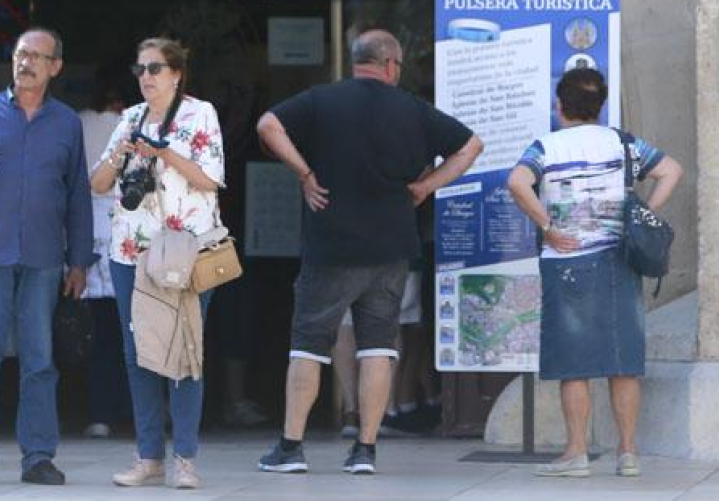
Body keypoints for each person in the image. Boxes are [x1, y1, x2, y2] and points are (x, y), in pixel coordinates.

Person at [256, 29, 483, 475]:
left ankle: (291, 447)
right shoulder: (413, 109)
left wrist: (303, 173)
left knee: (308, 348)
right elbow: (471, 146)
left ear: (356, 61)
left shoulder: (322, 100)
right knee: (379, 347)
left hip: (330, 247)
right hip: (391, 250)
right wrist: (426, 186)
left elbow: (267, 125)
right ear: (392, 65)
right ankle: (365, 450)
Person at [506, 68, 682, 478]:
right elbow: (671, 170)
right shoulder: (622, 142)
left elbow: (517, 182)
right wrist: (644, 214)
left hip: (566, 263)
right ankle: (628, 452)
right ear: (600, 105)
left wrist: (547, 226)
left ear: (559, 105)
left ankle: (576, 453)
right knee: (622, 360)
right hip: (619, 260)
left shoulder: (545, 146)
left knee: (575, 363)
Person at [0, 28, 94, 486]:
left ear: (55, 67)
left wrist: (79, 260)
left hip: (45, 256)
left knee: (40, 360)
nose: (25, 62)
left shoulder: (66, 122)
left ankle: (38, 456)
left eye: (36, 56)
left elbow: (77, 196)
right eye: (20, 54)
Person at [90, 37, 225, 490]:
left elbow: (210, 179)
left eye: (154, 68)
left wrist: (163, 153)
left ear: (176, 74)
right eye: (140, 69)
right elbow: (99, 183)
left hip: (184, 247)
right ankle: (148, 457)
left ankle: (184, 458)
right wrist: (123, 151)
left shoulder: (199, 113)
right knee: (139, 354)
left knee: (186, 350)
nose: (145, 76)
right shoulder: (128, 118)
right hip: (132, 250)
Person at [77, 77, 131, 438]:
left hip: (89, 239)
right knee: (133, 334)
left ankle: (99, 414)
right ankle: (139, 414)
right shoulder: (133, 123)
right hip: (129, 237)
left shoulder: (77, 122)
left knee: (98, 337)